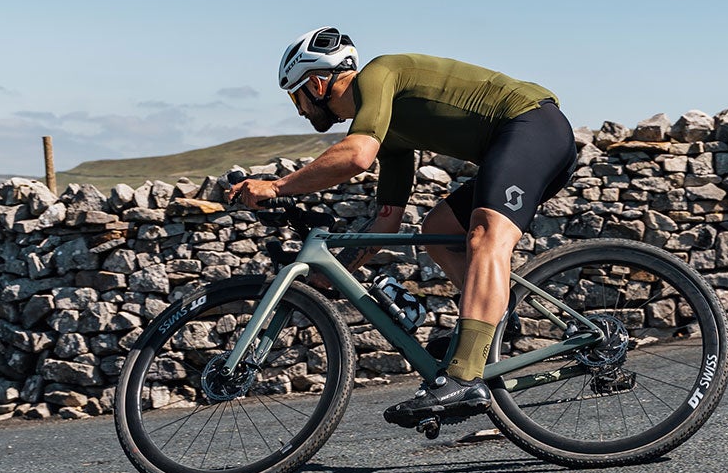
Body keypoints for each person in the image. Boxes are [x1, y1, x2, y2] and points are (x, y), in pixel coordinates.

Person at [225, 27, 577, 423]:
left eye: (296, 95)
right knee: (439, 229)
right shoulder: (388, 128)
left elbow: (357, 155)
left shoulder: (380, 73)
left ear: (318, 83)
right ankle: (495, 320)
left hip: (531, 125)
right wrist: (334, 273)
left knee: (485, 237)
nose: (299, 110)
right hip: (520, 138)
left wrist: (275, 187)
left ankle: (463, 377)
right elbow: (387, 221)